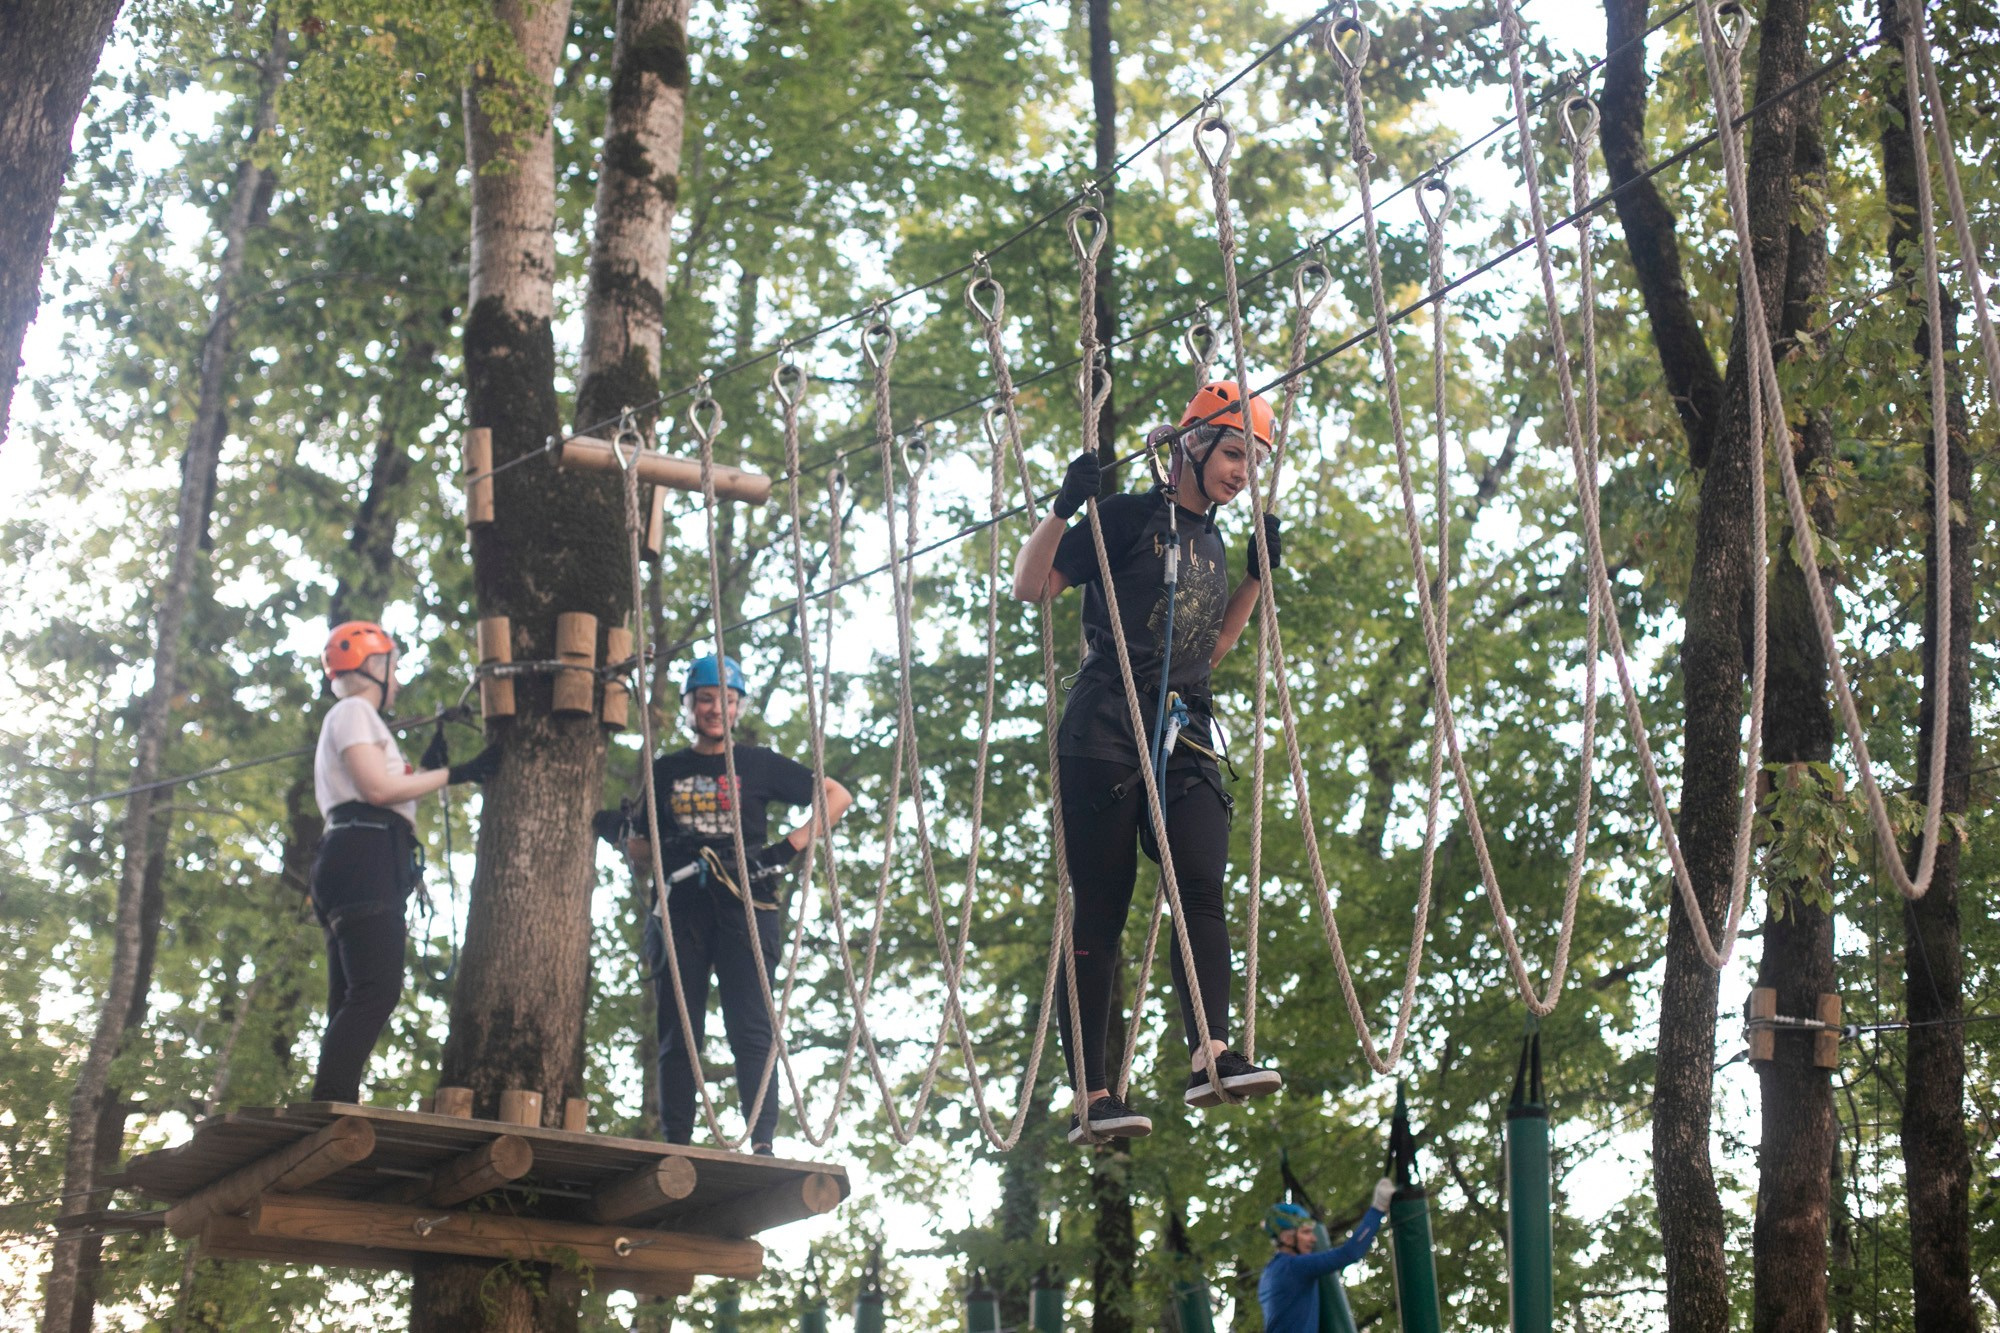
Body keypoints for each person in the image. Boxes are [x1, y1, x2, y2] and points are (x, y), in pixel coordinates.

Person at [1011, 381, 1287, 1145]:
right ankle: (1092, 1093)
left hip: (1182, 732)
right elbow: (1031, 586)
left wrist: (1256, 577)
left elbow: (1213, 648)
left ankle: (1211, 1052)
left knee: (1201, 883)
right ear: (1191, 445)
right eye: (1233, 453)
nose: (1242, 473)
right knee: (1102, 908)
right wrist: (1063, 509)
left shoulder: (1215, 541)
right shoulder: (1126, 517)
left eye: (1253, 462)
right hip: (1104, 728)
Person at [617, 653, 852, 1154]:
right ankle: (676, 1142)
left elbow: (836, 795)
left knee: (751, 1025)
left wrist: (787, 846)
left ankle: (762, 1142)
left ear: (738, 706)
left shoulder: (756, 764)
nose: (715, 709)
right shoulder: (666, 771)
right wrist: (637, 841)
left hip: (745, 905)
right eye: (705, 699)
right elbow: (640, 846)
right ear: (689, 705)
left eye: (726, 700)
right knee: (679, 1029)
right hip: (682, 906)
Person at [310, 620, 499, 1102]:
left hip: (352, 854)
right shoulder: (355, 711)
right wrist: (457, 773)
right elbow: (377, 790)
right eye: (393, 670)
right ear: (374, 666)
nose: (396, 682)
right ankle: (332, 1101)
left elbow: (384, 787)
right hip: (365, 854)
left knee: (350, 995)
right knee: (376, 990)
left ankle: (332, 1098)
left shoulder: (353, 719)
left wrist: (429, 770)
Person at [1258, 1183, 1394, 1333]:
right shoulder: (1295, 1267)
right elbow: (1349, 1253)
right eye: (1306, 1232)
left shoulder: (1270, 1271)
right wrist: (1378, 1208)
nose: (1313, 1239)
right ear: (1287, 1238)